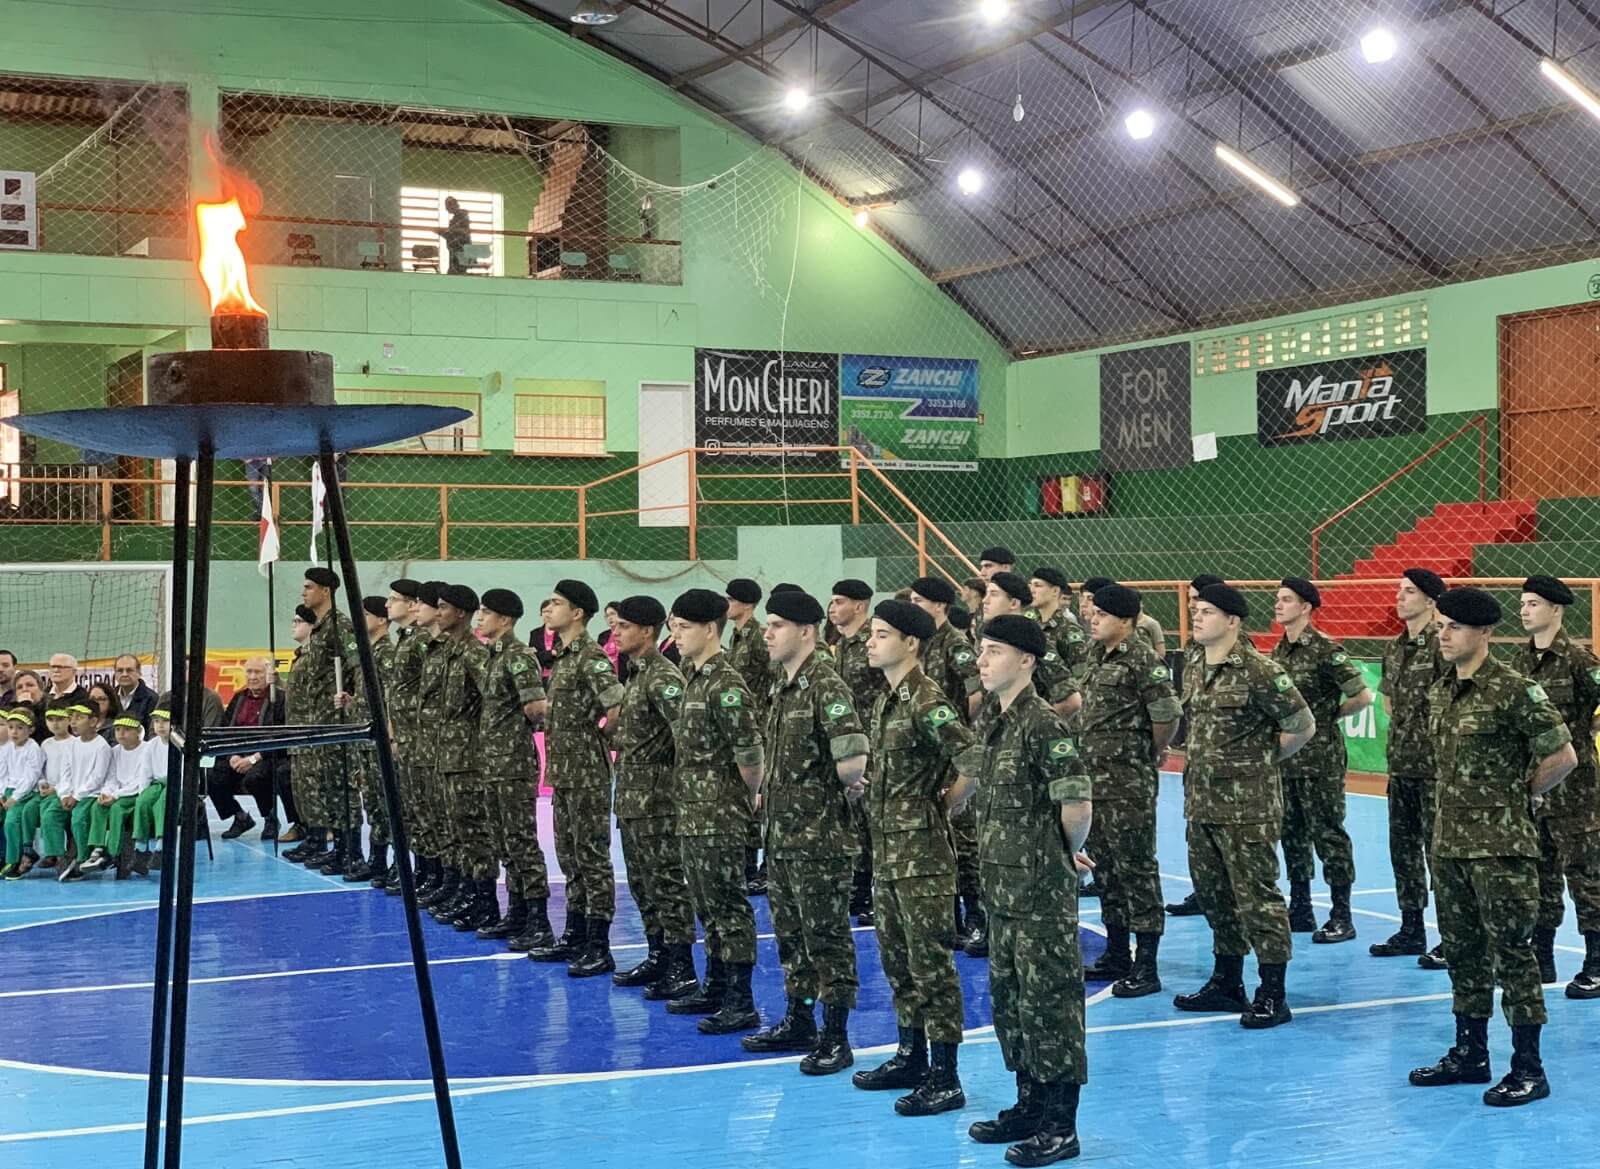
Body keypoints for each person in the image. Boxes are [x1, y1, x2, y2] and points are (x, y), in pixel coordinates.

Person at [1409, 586, 1575, 1107]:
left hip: (1501, 848)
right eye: (1441, 626)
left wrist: (1516, 796)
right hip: (1449, 846)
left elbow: (1563, 756)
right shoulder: (1440, 691)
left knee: (1513, 955)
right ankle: (1470, 1053)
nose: (1443, 635)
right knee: (1462, 952)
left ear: (1483, 633)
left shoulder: (1514, 690)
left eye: (1454, 627)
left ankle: (1528, 1067)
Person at [968, 614, 1093, 1166]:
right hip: (1003, 890)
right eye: (982, 649)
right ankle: (1030, 1105)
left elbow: (1077, 803)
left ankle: (1061, 1125)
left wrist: (1062, 852)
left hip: (1039, 892)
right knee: (1012, 1001)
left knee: (1051, 1005)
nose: (982, 660)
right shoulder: (996, 721)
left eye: (994, 650)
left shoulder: (1042, 723)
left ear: (1026, 660)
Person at [854, 599, 981, 1114]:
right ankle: (911, 1055)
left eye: (881, 634)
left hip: (922, 855)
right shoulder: (888, 700)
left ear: (910, 643)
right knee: (898, 960)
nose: (870, 642)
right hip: (888, 851)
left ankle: (946, 1076)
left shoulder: (928, 700)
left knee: (931, 965)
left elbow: (972, 759)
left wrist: (948, 803)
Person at [1175, 584, 1314, 1029]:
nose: (1197, 618)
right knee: (1215, 896)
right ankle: (1227, 981)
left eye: (1207, 612)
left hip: (1247, 808)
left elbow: (1302, 725)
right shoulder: (1195, 665)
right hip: (1201, 804)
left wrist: (1260, 762)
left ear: (1232, 621)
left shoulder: (1259, 670)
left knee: (1258, 899)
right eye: (1196, 611)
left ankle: (1273, 992)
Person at [742, 589, 868, 1076]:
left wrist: (833, 788)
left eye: (777, 625)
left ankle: (836, 1035)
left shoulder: (825, 686)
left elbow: (852, 760)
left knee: (826, 938)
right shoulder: (784, 685)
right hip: (783, 837)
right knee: (791, 935)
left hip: (820, 839)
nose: (768, 633)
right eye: (768, 624)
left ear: (806, 631)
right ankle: (800, 1018)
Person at [665, 588, 765, 1034]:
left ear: (710, 629)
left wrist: (747, 796)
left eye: (684, 627)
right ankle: (716, 985)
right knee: (706, 904)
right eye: (674, 626)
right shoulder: (694, 676)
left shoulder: (725, 684)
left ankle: (740, 1000)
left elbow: (749, 751)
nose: (677, 634)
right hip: (692, 811)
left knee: (728, 906)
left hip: (719, 814)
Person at [1078, 585, 1182, 998]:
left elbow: (1166, 716)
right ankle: (1117, 952)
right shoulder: (1093, 654)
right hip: (1094, 783)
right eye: (1093, 613)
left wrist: (1148, 751)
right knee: (1105, 871)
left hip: (1127, 784)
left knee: (1136, 871)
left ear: (1125, 620)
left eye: (1102, 614)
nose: (1093, 619)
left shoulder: (1142, 660)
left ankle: (1147, 964)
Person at [529, 579, 624, 974]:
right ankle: (575, 933)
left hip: (586, 773)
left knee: (592, 858)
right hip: (565, 773)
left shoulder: (590, 656)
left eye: (556, 603)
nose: (548, 609)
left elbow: (617, 705)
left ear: (577, 612)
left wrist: (600, 737)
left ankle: (599, 945)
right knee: (569, 856)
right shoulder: (564, 656)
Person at [1271, 578, 1373, 944]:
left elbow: (1362, 696)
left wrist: (1329, 716)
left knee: (1328, 833)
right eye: (1278, 599)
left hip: (1321, 758)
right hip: (1289, 757)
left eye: (1287, 600)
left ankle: (1341, 914)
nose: (1278, 605)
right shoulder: (1279, 651)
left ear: (1306, 607)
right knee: (1292, 832)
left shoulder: (1326, 650)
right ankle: (1300, 907)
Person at [1512, 575, 1600, 995]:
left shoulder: (1579, 660)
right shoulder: (1520, 661)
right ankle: (1541, 956)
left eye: (1533, 603)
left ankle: (1596, 962)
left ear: (1556, 609)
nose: (1525, 610)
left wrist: (1586, 731)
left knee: (1586, 875)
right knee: (1538, 874)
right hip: (1537, 785)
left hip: (1577, 791)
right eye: (1523, 603)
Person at [608, 595, 698, 999]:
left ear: (647, 631)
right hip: (633, 800)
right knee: (643, 885)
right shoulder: (637, 674)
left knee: (666, 884)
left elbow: (687, 737)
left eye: (624, 626)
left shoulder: (663, 678)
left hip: (657, 803)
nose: (616, 632)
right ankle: (658, 955)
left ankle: (681, 966)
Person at [1373, 568, 1451, 968]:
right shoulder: (1394, 648)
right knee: (1402, 851)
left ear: (1431, 601)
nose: (1400, 597)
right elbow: (1388, 702)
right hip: (1402, 766)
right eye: (1399, 590)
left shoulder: (1442, 644)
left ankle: (1452, 936)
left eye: (1409, 592)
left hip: (1436, 770)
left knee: (1440, 856)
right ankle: (1411, 928)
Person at [474, 588, 555, 951]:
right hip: (493, 763)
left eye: (486, 612)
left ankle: (539, 920)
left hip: (513, 763)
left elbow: (536, 706)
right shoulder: (495, 655)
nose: (480, 618)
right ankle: (517, 912)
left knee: (522, 842)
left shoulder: (519, 655)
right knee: (504, 841)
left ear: (505, 619)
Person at [909, 575, 986, 953]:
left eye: (919, 601)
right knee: (940, 837)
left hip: (953, 750)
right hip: (930, 754)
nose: (914, 606)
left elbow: (977, 692)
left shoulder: (954, 643)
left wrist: (961, 728)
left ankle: (976, 915)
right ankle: (950, 915)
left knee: (964, 839)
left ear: (939, 605)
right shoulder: (919, 644)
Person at [427, 584, 495, 933]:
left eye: (444, 607)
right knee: (456, 831)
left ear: (461, 613)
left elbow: (492, 699)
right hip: (448, 755)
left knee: (474, 833)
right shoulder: (449, 651)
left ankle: (485, 902)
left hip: (468, 758)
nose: (438, 613)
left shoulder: (473, 652)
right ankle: (466, 891)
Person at [1166, 573, 1228, 919]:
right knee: (1198, 837)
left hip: (1231, 771)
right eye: (1191, 601)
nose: (1192, 607)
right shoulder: (1193, 649)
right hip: (1198, 763)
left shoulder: (1241, 656)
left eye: (1199, 601)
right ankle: (1204, 892)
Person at [829, 578, 882, 925]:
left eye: (839, 602)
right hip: (852, 745)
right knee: (857, 823)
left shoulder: (873, 642)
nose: (833, 608)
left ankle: (873, 893)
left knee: (874, 821)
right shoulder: (843, 646)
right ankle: (859, 890)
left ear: (859, 606)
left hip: (875, 745)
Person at [982, 573, 1080, 720]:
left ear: (1013, 603)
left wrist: (1034, 724)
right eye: (986, 593)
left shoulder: (1030, 641)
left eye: (994, 594)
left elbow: (1071, 701)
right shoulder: (990, 638)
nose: (985, 600)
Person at [724, 577, 770, 895]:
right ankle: (745, 864)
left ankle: (756, 866)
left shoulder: (758, 637)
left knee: (757, 800)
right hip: (740, 725)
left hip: (758, 726)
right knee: (744, 797)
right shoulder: (738, 636)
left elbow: (775, 673)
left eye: (731, 600)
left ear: (746, 604)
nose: (727, 604)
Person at [213, 657, 292, 842]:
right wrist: (232, 755)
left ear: (268, 675)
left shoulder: (279, 699)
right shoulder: (238, 697)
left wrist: (254, 758)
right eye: (249, 672)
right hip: (238, 752)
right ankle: (240, 816)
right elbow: (225, 730)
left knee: (255, 778)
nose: (253, 676)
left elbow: (282, 736)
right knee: (214, 777)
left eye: (258, 672)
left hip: (266, 755)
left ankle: (270, 818)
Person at [344, 597, 394, 884]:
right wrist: (352, 703)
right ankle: (377, 858)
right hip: (365, 736)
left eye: (365, 614)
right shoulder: (369, 653)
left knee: (386, 801)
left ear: (381, 619)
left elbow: (391, 699)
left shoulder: (387, 654)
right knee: (373, 802)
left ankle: (394, 861)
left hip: (380, 740)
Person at [79, 714, 154, 877]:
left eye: (126, 730)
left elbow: (140, 780)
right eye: (118, 729)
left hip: (136, 793)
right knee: (98, 807)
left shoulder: (147, 750)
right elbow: (111, 777)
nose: (121, 733)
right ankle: (98, 848)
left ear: (138, 732)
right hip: (118, 793)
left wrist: (116, 796)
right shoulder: (114, 751)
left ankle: (112, 853)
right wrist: (107, 793)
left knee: (117, 810)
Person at [282, 605, 323, 862]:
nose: (294, 625)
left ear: (311, 626)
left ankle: (319, 838)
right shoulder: (300, 656)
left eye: (299, 621)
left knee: (312, 788)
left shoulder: (315, 656)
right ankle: (309, 835)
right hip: (296, 732)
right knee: (301, 789)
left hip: (310, 732)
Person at [59, 703, 111, 882]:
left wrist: (76, 796)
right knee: (50, 814)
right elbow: (65, 772)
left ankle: (82, 858)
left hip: (91, 794)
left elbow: (98, 777)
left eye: (79, 718)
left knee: (78, 818)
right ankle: (56, 856)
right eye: (71, 717)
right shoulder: (71, 745)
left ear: (93, 721)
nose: (73, 722)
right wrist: (64, 794)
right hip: (72, 794)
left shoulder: (101, 746)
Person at [24, 707, 73, 875]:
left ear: (68, 720)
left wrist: (56, 789)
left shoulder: (74, 744)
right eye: (50, 720)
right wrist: (42, 783)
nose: (55, 724)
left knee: (50, 815)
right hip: (46, 791)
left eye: (59, 719)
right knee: (28, 810)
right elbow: (40, 770)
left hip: (64, 791)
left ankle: (58, 855)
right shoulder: (46, 744)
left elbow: (75, 774)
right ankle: (27, 850)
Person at [0, 709, 46, 878]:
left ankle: (13, 860)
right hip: (9, 791)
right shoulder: (7, 748)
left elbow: (31, 777)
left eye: (20, 728)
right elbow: (3, 773)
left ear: (30, 730)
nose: (14, 732)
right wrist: (2, 794)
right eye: (11, 727)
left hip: (27, 793)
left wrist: (15, 797)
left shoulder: (33, 749)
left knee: (11, 821)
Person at [130, 708, 172, 876]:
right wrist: (143, 792)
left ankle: (161, 847)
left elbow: (186, 773)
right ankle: (140, 849)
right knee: (142, 802)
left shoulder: (181, 743)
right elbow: (145, 772)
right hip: (156, 784)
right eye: (156, 721)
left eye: (165, 721)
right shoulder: (151, 745)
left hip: (178, 784)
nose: (160, 725)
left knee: (163, 802)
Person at [111, 653, 159, 730]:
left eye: (129, 670)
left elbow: (152, 731)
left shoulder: (152, 699)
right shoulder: (110, 697)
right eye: (120, 670)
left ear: (139, 672)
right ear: (115, 674)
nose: (124, 674)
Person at [436, 195, 473, 274]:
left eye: (448, 205)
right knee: (455, 272)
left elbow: (454, 234)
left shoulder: (460, 216)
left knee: (455, 273)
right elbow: (453, 233)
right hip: (457, 250)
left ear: (455, 205)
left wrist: (441, 232)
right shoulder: (459, 217)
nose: (447, 208)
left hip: (460, 250)